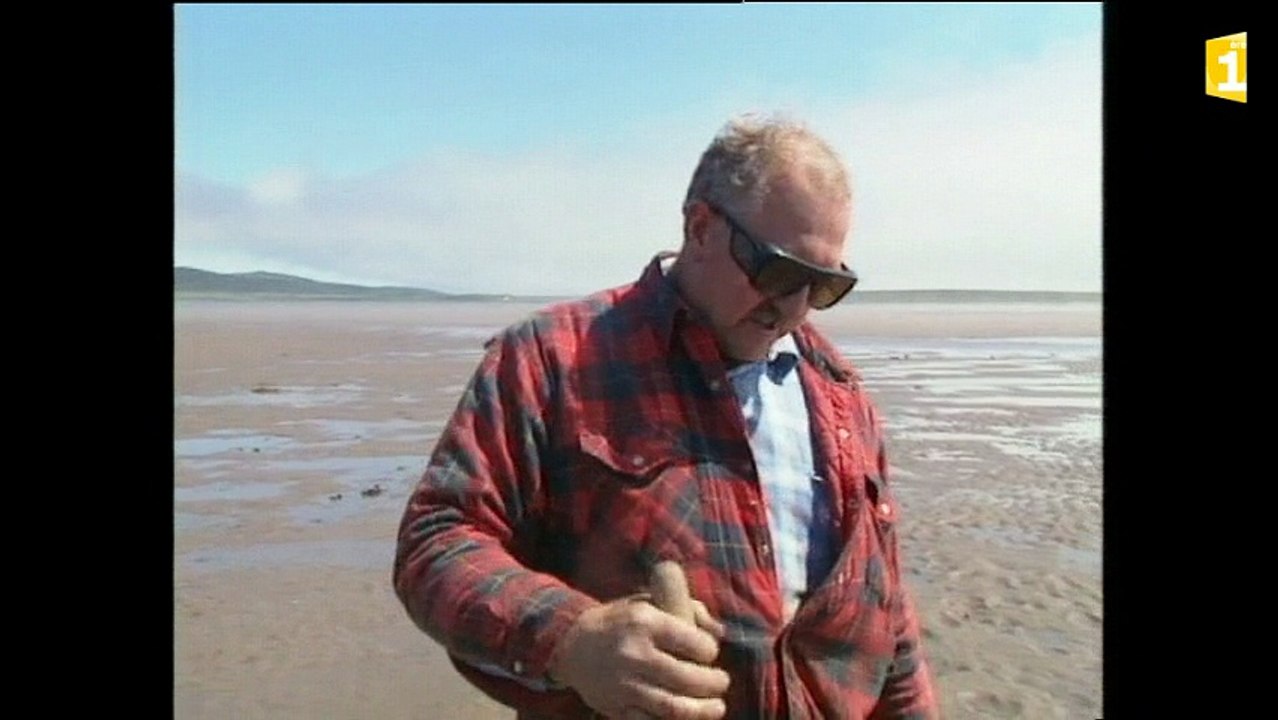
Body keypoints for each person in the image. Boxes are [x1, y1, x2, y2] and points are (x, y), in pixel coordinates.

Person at [393, 113, 939, 719]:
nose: (794, 308)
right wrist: (571, 641)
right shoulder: (552, 359)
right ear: (700, 227)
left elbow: (885, 608)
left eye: (824, 287)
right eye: (780, 273)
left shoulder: (839, 393)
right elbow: (437, 540)